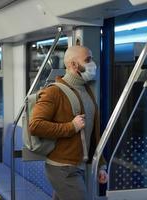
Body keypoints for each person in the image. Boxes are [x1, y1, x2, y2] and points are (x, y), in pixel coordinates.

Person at [29, 45, 108, 200]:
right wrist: (71, 127)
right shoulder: (53, 92)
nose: (92, 64)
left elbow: (92, 133)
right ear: (73, 64)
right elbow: (35, 125)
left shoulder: (87, 90)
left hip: (78, 166)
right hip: (62, 168)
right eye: (88, 60)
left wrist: (100, 165)